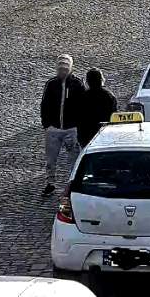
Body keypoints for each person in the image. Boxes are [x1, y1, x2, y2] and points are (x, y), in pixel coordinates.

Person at [40, 54, 85, 196]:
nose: (62, 71)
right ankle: (50, 183)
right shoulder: (51, 84)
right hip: (53, 129)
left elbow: (83, 105)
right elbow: (45, 104)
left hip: (71, 129)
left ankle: (72, 183)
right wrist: (47, 125)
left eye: (65, 68)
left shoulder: (77, 84)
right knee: (50, 159)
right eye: (60, 68)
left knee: (74, 159)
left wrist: (78, 125)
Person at [78, 68, 118, 148]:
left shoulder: (82, 97)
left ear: (88, 81)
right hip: (104, 133)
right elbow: (114, 116)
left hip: (86, 135)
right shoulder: (109, 96)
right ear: (101, 80)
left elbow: (78, 117)